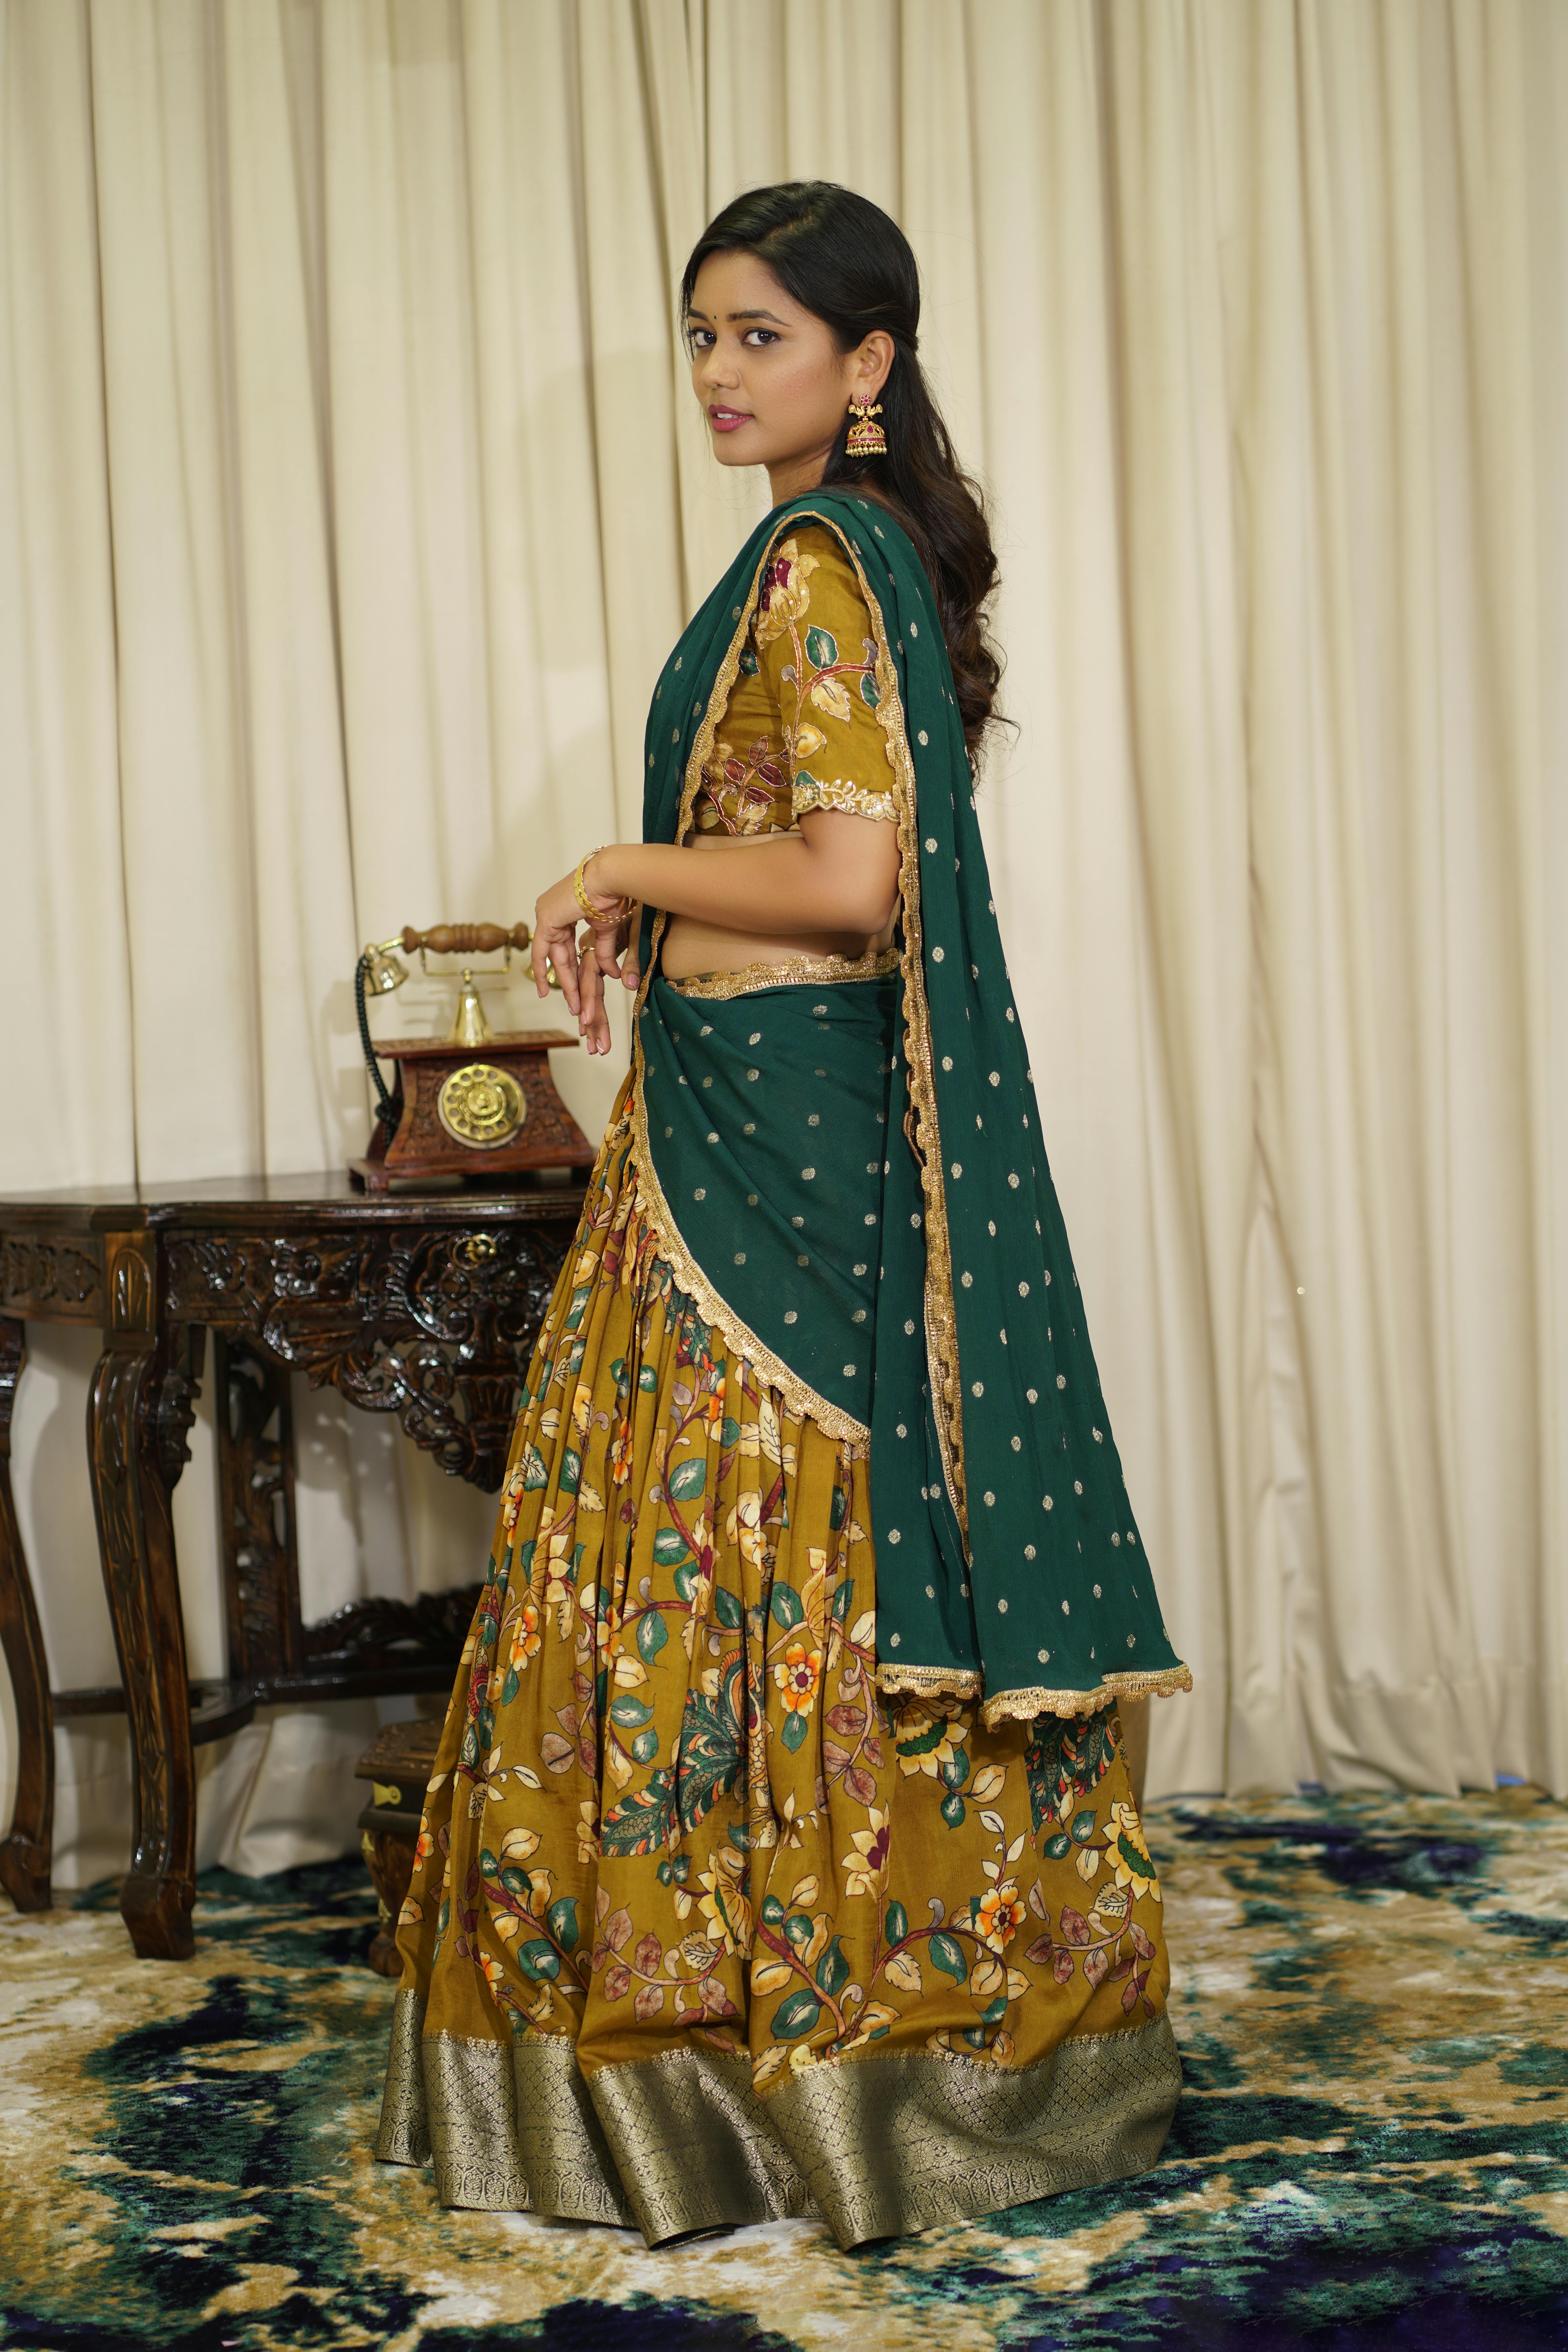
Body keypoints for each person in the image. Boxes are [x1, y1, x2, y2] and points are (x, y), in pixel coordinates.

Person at [378, 181, 1190, 2251]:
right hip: (739, 1123)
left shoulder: (827, 567)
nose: (725, 376)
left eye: (763, 338)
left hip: (786, 1158)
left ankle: (803, 2055)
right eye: (703, 337)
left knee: (765, 1547)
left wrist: (617, 869)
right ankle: (785, 2045)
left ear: (868, 365)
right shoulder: (826, 559)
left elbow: (844, 881)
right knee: (740, 1548)